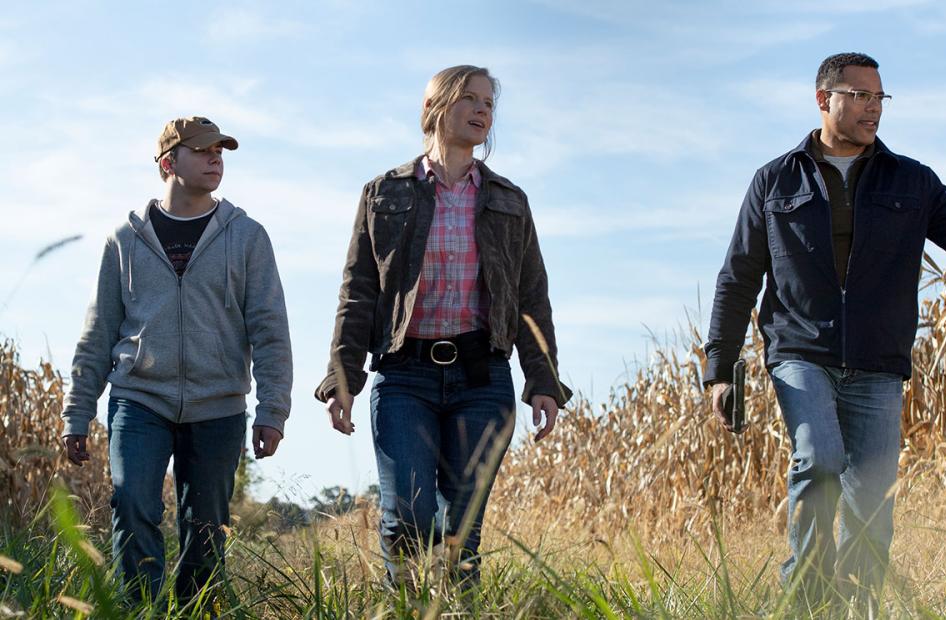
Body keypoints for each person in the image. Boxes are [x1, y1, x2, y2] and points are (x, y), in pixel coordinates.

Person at [703, 52, 946, 612]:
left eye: (879, 97)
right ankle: (808, 598)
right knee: (820, 457)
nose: (873, 108)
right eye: (859, 96)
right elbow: (738, 276)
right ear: (823, 100)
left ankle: (856, 608)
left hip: (879, 363)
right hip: (800, 352)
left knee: (871, 502)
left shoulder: (911, 181)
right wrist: (720, 370)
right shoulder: (774, 180)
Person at [316, 64, 568, 589]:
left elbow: (531, 298)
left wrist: (542, 381)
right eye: (469, 99)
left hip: (483, 378)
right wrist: (344, 375)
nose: (482, 111)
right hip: (404, 375)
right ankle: (404, 606)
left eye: (489, 104)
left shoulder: (508, 200)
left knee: (461, 530)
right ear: (435, 109)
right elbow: (359, 289)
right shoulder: (384, 193)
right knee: (406, 517)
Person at [60, 116, 292, 602]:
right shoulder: (125, 240)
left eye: (220, 152)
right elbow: (99, 331)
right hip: (139, 398)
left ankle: (195, 609)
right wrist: (77, 412)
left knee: (206, 527)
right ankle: (140, 609)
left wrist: (273, 410)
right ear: (168, 162)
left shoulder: (246, 236)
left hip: (219, 404)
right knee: (132, 502)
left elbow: (270, 330)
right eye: (203, 151)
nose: (215, 159)